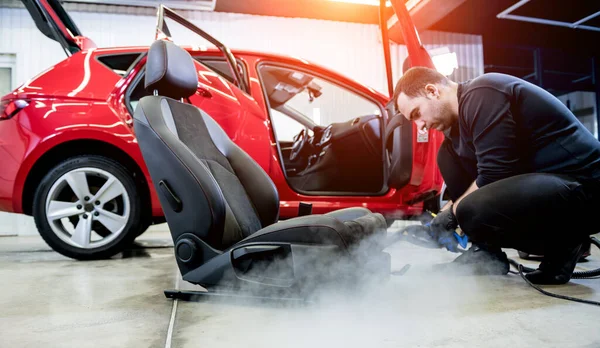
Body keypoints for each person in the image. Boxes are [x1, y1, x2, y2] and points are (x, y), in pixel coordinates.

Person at [393, 67, 600, 284]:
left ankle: (564, 246)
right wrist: (446, 213)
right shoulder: (459, 129)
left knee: (469, 209)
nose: (420, 126)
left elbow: (496, 173)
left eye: (417, 114)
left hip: (588, 189)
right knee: (447, 155)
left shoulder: (483, 92)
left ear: (432, 91)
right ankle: (486, 253)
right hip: (555, 189)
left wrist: (453, 213)